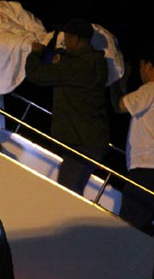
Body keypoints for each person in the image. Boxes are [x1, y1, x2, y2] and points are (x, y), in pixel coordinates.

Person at [24, 19, 109, 195]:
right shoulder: (93, 62)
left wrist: (35, 54)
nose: (65, 41)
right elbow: (59, 61)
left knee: (67, 192)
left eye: (67, 37)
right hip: (88, 139)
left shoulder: (78, 66)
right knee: (70, 189)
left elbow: (37, 74)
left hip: (81, 141)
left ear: (76, 39)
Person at [111, 47, 154, 229]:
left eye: (141, 67)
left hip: (145, 170)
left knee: (127, 226)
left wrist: (116, 77)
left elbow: (120, 105)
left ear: (148, 66)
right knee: (137, 225)